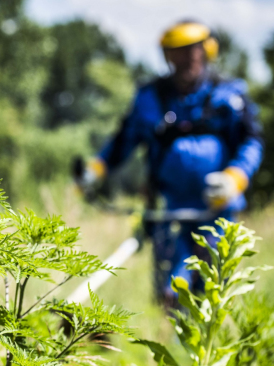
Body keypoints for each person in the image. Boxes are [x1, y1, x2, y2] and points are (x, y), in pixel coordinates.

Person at [76, 20, 263, 310]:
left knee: (215, 294)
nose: (189, 57)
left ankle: (205, 353)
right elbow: (123, 141)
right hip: (168, 212)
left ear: (207, 50)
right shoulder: (150, 98)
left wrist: (236, 177)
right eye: (179, 51)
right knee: (172, 293)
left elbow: (252, 142)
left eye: (194, 49)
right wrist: (96, 170)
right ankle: (172, 348)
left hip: (217, 211)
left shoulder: (229, 94)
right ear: (166, 55)